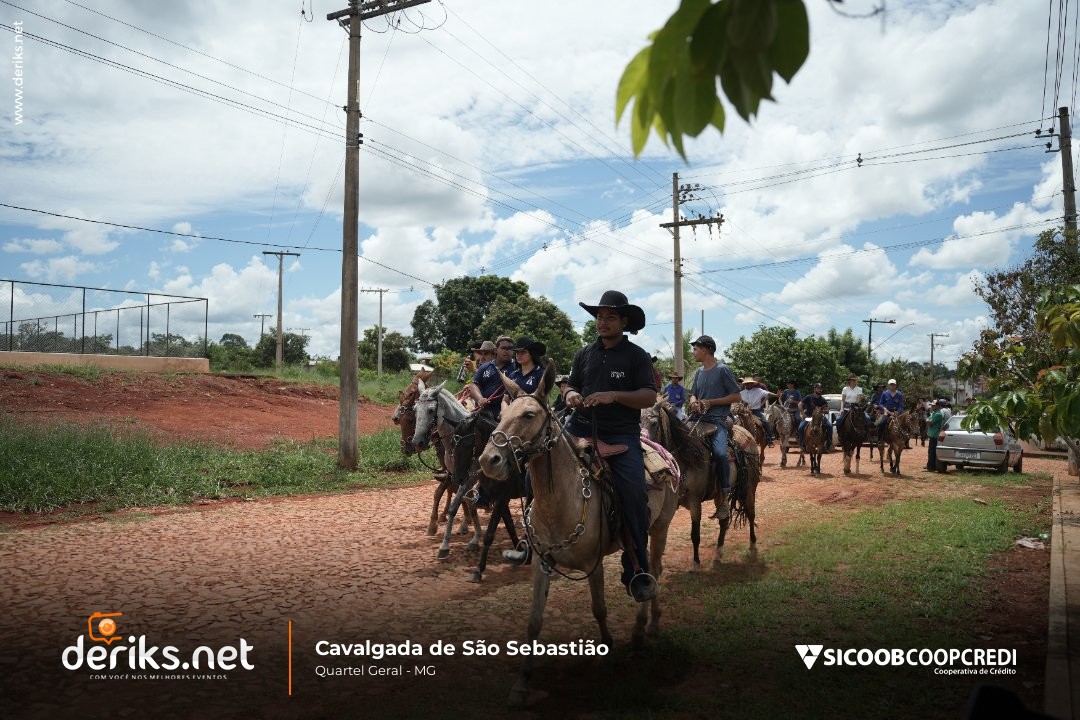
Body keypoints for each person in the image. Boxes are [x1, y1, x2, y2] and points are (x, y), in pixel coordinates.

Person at [561, 290, 658, 603]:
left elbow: (649, 396)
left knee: (634, 495)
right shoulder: (584, 353)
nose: (603, 322)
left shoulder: (637, 356)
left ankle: (637, 569)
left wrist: (614, 395)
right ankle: (534, 541)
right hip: (579, 427)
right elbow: (571, 384)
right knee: (533, 471)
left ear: (624, 322)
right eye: (600, 317)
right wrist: (570, 395)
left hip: (620, 435)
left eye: (611, 317)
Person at [686, 335, 742, 519]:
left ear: (706, 349)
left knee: (719, 454)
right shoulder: (699, 372)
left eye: (696, 348)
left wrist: (711, 402)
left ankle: (724, 498)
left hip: (717, 421)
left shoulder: (723, 370)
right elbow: (693, 394)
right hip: (696, 419)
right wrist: (694, 402)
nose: (693, 352)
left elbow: (736, 396)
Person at [466, 336, 515, 420]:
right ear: (496, 350)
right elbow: (474, 385)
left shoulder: (517, 367)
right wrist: (480, 399)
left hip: (505, 413)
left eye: (510, 348)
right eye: (503, 348)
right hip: (483, 410)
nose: (507, 351)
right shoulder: (485, 367)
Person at [738, 376, 776, 444]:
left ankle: (769, 439)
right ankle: (734, 439)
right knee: (734, 422)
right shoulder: (742, 393)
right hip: (744, 411)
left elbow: (768, 393)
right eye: (746, 384)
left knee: (765, 422)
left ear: (752, 384)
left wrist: (776, 395)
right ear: (745, 384)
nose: (748, 385)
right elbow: (738, 401)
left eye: (749, 383)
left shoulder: (758, 390)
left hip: (755, 411)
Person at [798, 383, 832, 450]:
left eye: (821, 389)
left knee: (829, 426)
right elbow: (799, 404)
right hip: (809, 417)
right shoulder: (808, 397)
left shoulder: (822, 399)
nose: (820, 390)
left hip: (819, 417)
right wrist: (803, 413)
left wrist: (824, 411)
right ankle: (802, 444)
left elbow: (827, 409)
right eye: (818, 388)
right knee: (800, 428)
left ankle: (829, 444)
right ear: (814, 389)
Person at [925, 398, 951, 471]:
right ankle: (930, 466)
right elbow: (928, 420)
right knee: (931, 451)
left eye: (934, 405)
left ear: (938, 406)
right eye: (932, 405)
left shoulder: (938, 414)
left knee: (932, 452)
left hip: (935, 435)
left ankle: (931, 467)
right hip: (932, 434)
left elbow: (929, 422)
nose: (932, 407)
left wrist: (928, 420)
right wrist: (928, 420)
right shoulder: (935, 413)